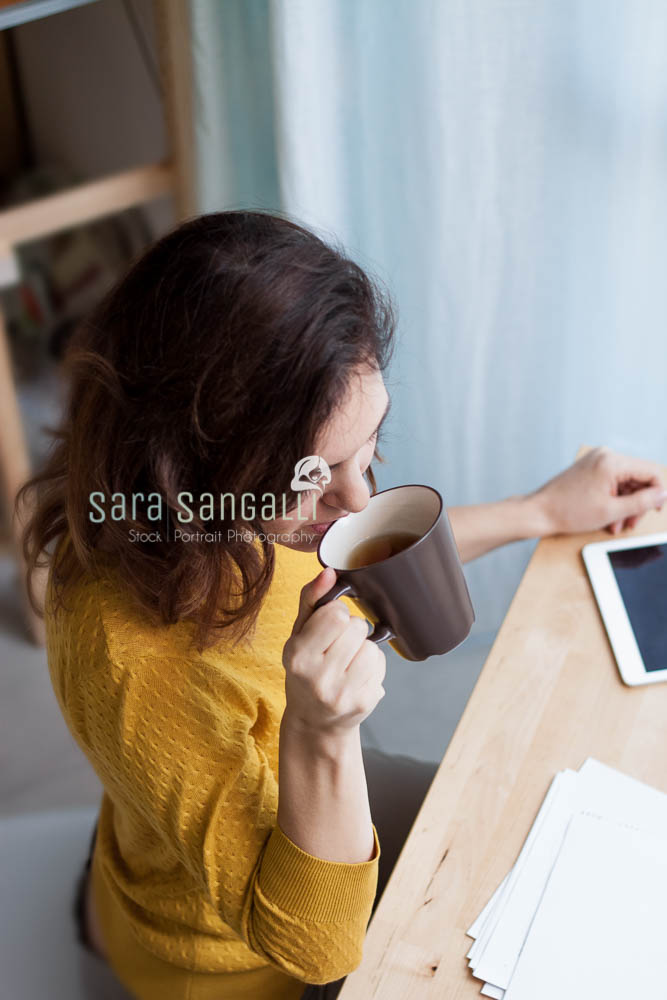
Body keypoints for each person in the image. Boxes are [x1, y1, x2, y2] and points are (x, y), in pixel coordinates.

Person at [18, 211, 666, 1000]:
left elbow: (360, 557)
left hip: (246, 809)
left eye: (368, 452)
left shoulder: (219, 518)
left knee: (524, 829)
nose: (358, 501)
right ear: (188, 466)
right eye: (314, 475)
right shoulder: (139, 661)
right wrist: (321, 734)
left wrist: (539, 510)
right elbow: (313, 948)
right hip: (230, 962)